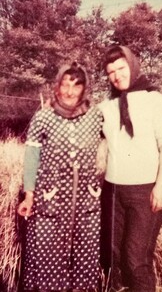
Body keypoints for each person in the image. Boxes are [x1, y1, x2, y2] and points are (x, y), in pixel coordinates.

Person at [18, 62, 103, 292]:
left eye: (76, 86)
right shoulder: (44, 117)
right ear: (57, 86)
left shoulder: (96, 116)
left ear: (84, 88)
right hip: (51, 201)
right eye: (65, 85)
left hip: (86, 203)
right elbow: (32, 157)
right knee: (48, 257)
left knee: (83, 258)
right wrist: (29, 195)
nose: (69, 91)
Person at [99, 45, 162, 292]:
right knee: (111, 256)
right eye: (111, 71)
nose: (116, 75)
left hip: (145, 192)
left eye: (121, 68)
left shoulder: (156, 101)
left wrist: (161, 185)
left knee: (136, 261)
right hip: (112, 191)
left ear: (132, 66)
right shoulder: (106, 107)